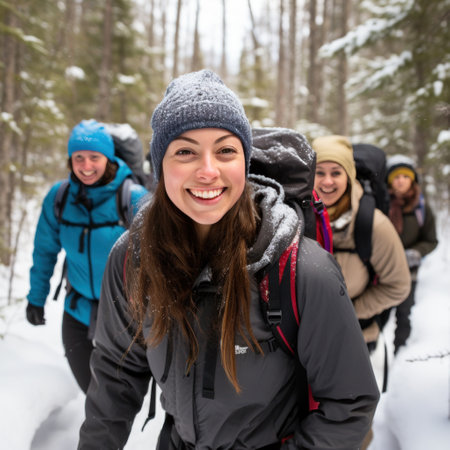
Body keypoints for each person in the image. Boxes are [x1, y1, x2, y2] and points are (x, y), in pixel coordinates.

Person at [78, 70, 379, 450]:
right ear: (160, 165)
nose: (208, 171)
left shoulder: (302, 270)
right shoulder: (132, 258)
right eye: (185, 151)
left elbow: (350, 403)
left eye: (225, 150)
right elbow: (117, 374)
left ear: (244, 162)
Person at [25, 119, 148, 393]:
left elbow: (159, 260)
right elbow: (45, 251)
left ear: (109, 158)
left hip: (123, 315)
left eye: (94, 157)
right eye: (78, 157)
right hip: (77, 311)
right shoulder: (59, 197)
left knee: (116, 397)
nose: (86, 165)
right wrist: (36, 298)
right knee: (91, 392)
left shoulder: (134, 198)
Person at [311, 135, 411, 449]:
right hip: (304, 341)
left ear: (349, 176)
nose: (327, 181)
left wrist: (347, 314)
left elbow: (399, 285)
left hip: (353, 339)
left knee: (348, 423)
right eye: (320, 171)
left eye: (336, 172)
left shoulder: (373, 225)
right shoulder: (297, 215)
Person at [386, 154, 438, 354]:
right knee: (379, 312)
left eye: (405, 177)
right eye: (396, 177)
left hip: (410, 271)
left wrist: (416, 253)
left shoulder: (422, 208)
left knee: (404, 313)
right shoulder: (382, 204)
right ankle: (371, 352)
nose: (400, 181)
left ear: (412, 180)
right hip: (384, 270)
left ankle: (400, 352)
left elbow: (432, 240)